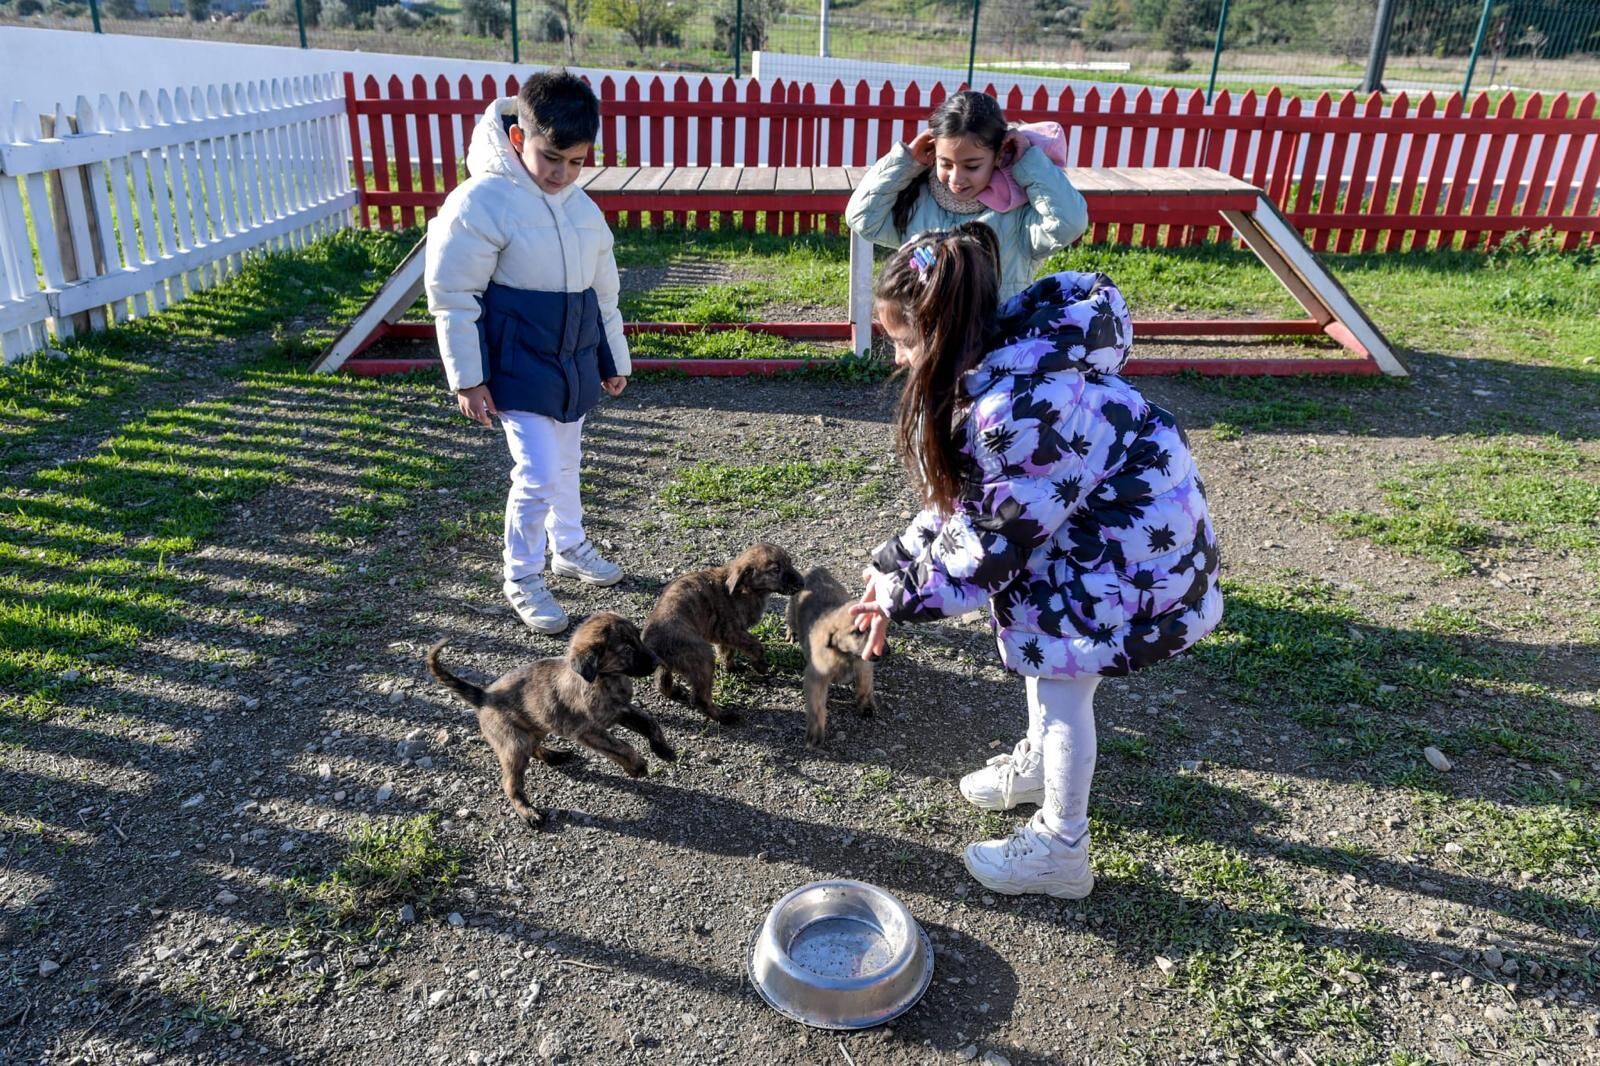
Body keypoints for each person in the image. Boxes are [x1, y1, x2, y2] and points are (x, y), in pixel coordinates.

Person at [852, 222, 1223, 899]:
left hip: (1122, 563)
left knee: (1062, 691)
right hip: (1100, 542)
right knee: (1045, 663)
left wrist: (900, 598)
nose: (901, 360)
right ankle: (1037, 771)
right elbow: (967, 502)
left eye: (905, 342)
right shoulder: (1005, 367)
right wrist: (893, 562)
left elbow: (988, 549)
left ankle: (1062, 847)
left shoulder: (1019, 409)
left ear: (941, 332)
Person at [425, 70, 629, 635]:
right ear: (519, 139)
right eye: (550, 158)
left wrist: (612, 359)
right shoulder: (479, 203)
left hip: (572, 362)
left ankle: (569, 546)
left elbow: (604, 291)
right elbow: (453, 296)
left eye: (576, 162)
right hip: (517, 366)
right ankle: (523, 575)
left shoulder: (581, 208)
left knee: (567, 463)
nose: (562, 173)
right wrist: (467, 378)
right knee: (538, 471)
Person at [844, 90, 1088, 303]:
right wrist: (905, 161)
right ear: (932, 150)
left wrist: (1029, 161)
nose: (956, 178)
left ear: (1000, 154)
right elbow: (862, 218)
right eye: (945, 163)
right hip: (929, 344)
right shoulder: (917, 201)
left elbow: (1070, 223)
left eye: (971, 166)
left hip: (997, 345)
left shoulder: (1017, 214)